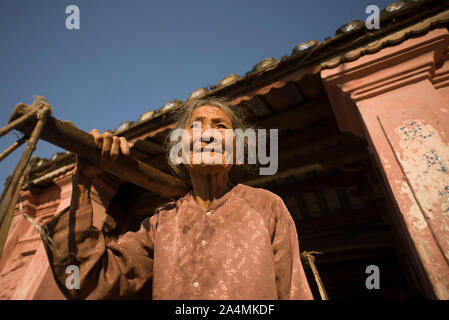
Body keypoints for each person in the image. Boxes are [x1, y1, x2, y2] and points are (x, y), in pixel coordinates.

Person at [42, 97, 314, 300]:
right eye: (196, 127)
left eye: (220, 127)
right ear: (180, 153)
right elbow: (90, 281)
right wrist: (83, 181)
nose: (207, 135)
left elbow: (293, 290)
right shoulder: (162, 223)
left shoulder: (266, 205)